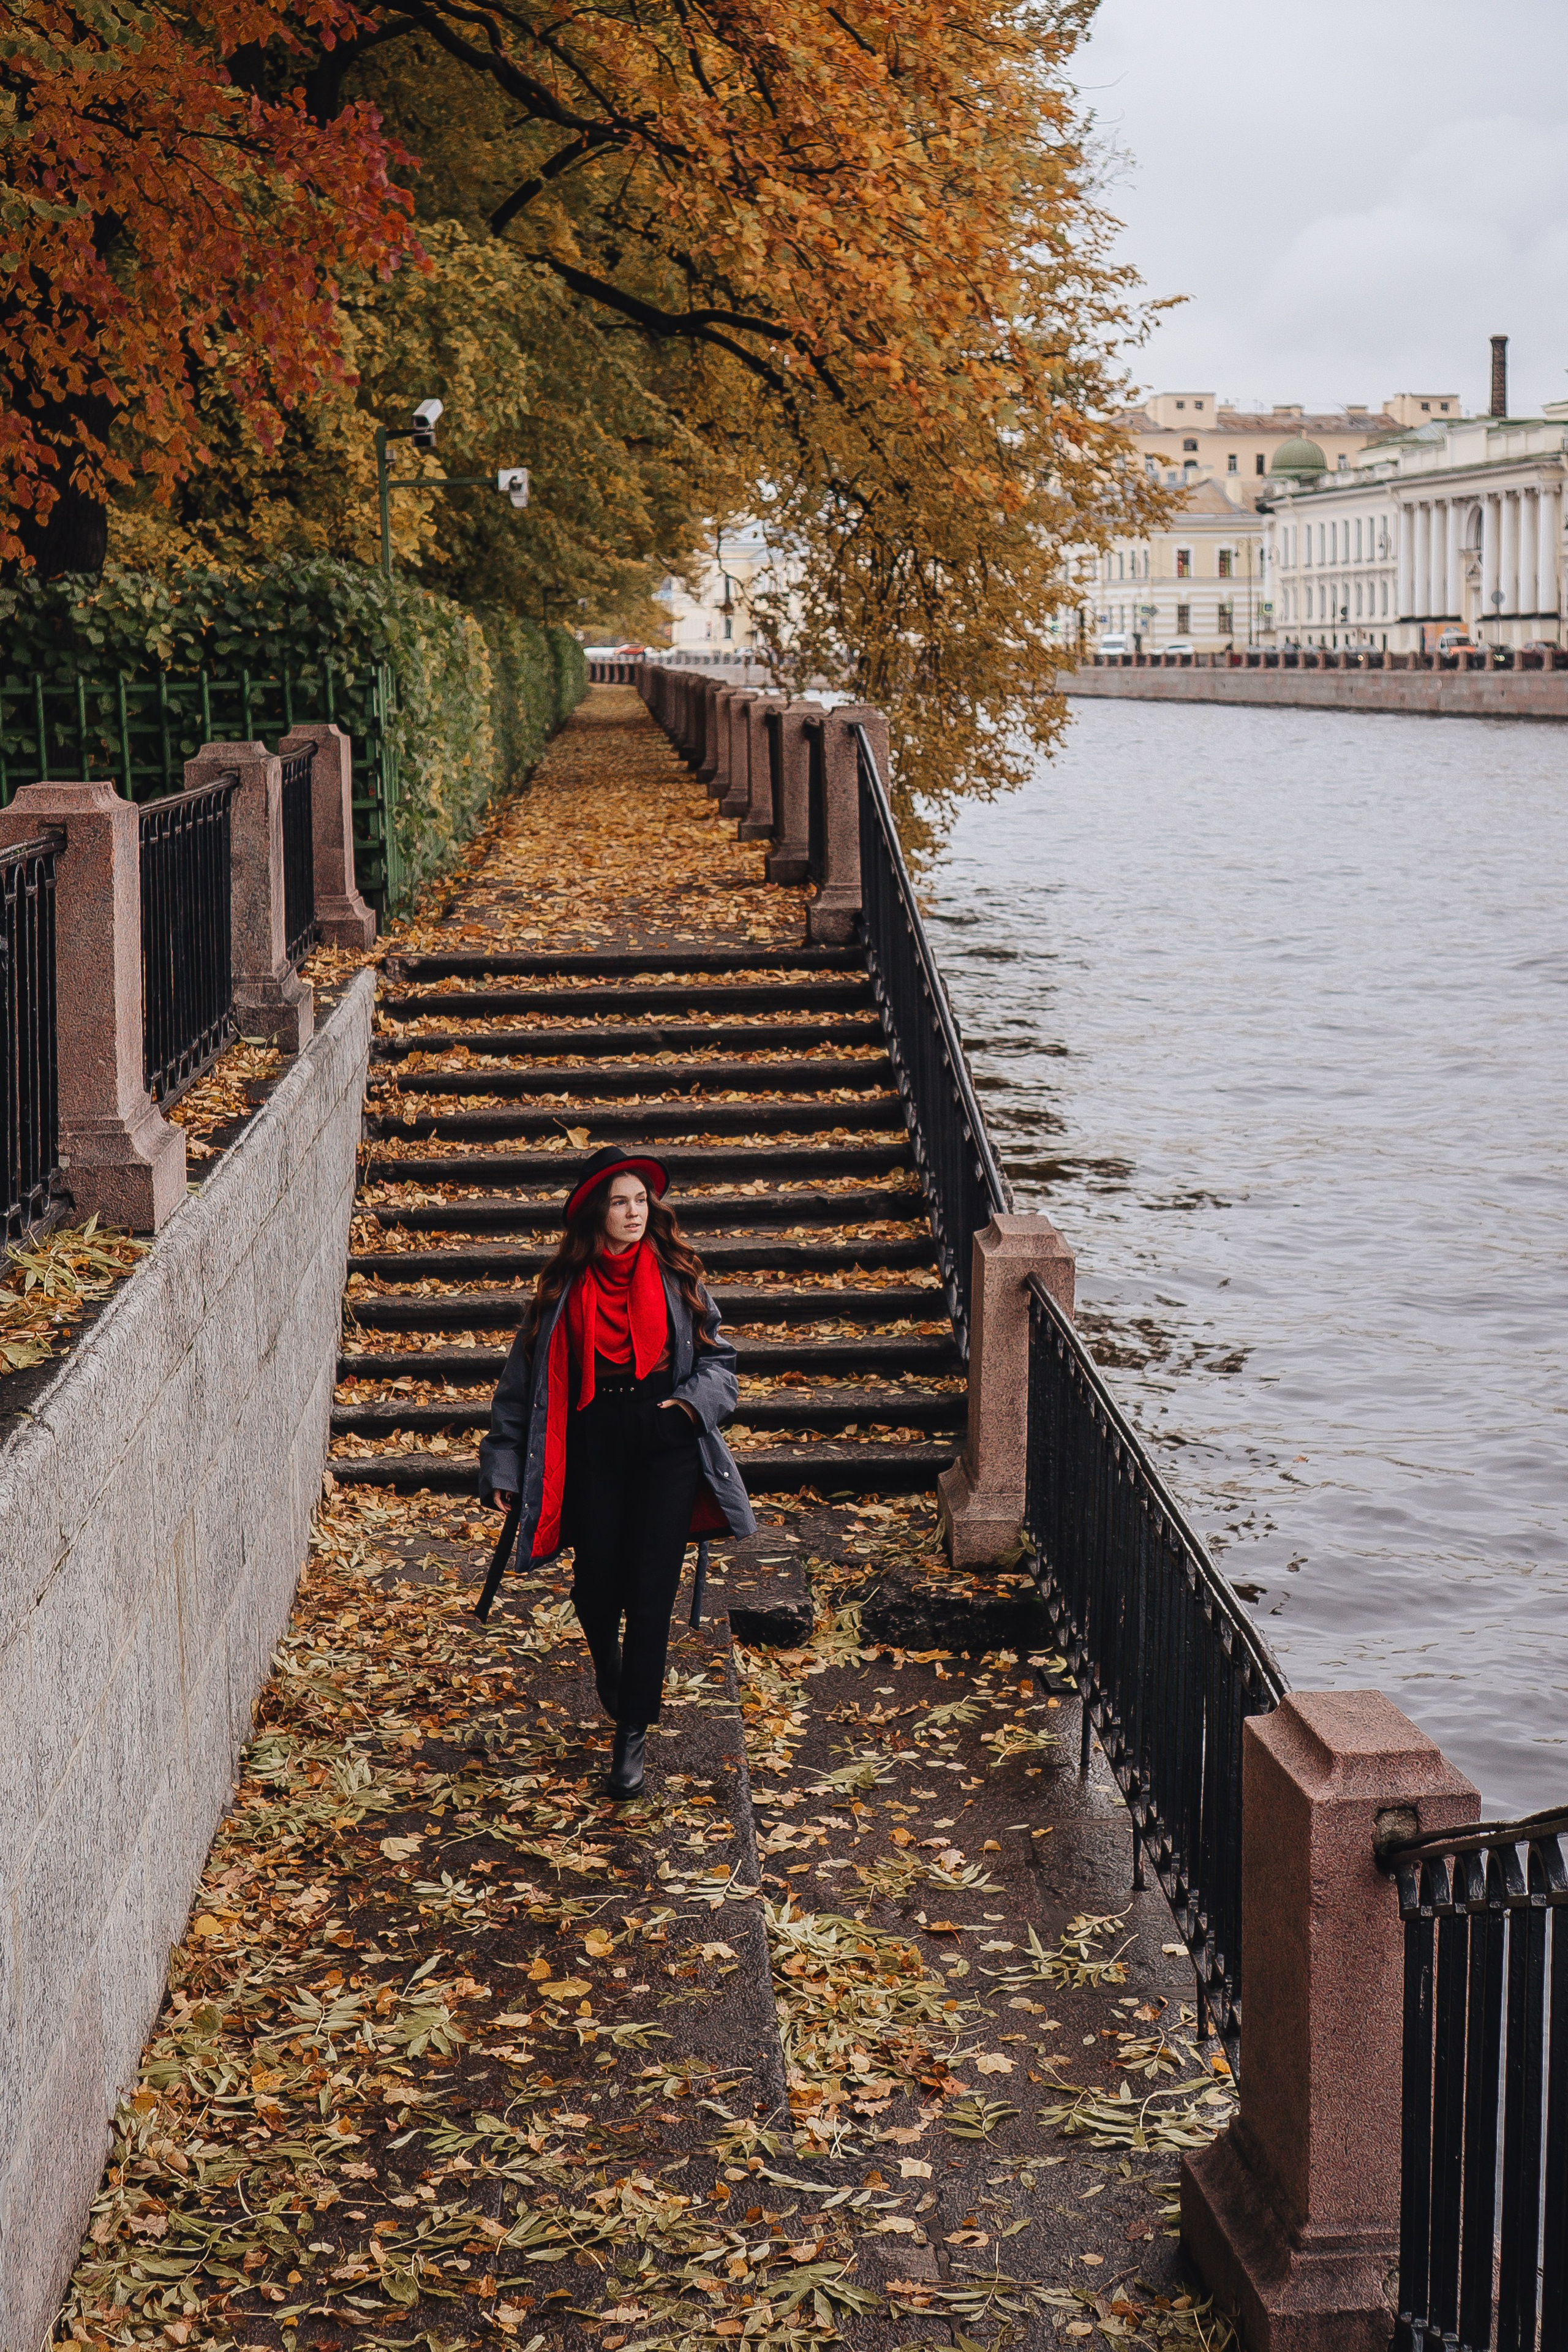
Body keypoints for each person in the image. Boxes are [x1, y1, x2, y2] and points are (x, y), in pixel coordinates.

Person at [478, 1147, 756, 1797]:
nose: (634, 1213)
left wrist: (687, 1410)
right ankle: (610, 1663)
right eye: (619, 1202)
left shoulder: (677, 1274)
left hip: (666, 1442)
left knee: (651, 1592)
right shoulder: (560, 1290)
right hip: (592, 1441)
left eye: (640, 1200)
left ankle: (631, 1732)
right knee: (597, 1585)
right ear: (595, 1214)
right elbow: (520, 1390)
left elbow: (722, 1364)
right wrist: (503, 1464)